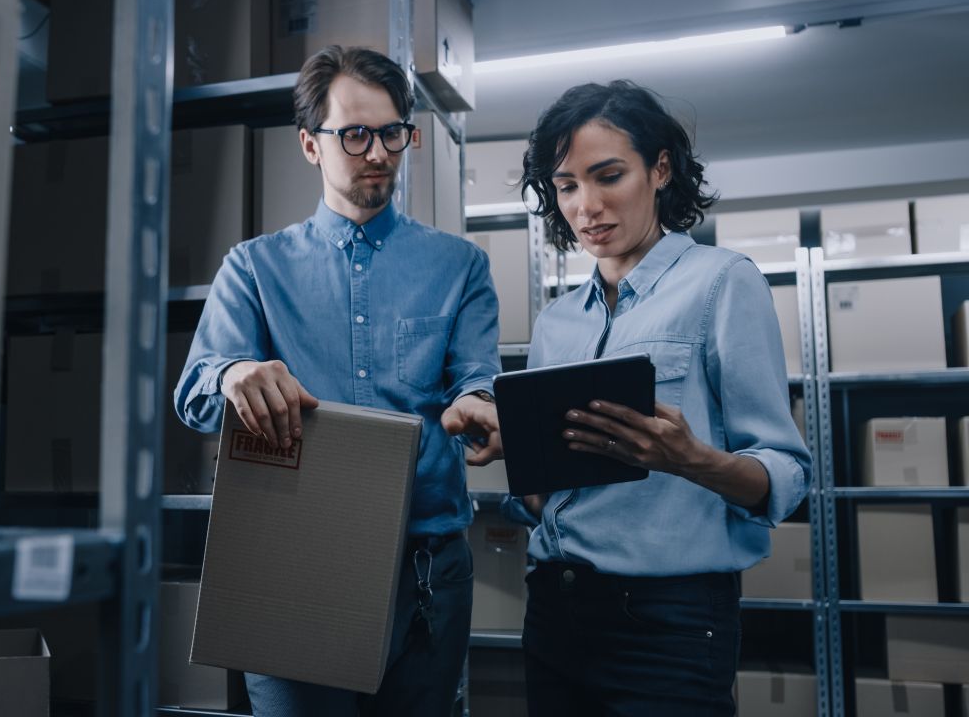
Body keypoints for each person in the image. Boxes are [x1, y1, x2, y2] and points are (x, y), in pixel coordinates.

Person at [173, 45, 502, 716]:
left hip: (426, 570)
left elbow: (476, 379)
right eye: (354, 134)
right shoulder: (253, 269)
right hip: (290, 561)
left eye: (392, 133)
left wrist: (479, 402)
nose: (377, 152)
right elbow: (195, 396)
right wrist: (233, 371)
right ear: (309, 145)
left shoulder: (459, 267)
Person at [514, 80, 812, 716]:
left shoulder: (722, 284)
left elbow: (787, 473)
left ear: (660, 168)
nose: (586, 205)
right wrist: (516, 453)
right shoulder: (555, 322)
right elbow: (546, 497)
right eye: (567, 185)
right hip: (554, 608)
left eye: (608, 175)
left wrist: (689, 458)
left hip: (667, 622)